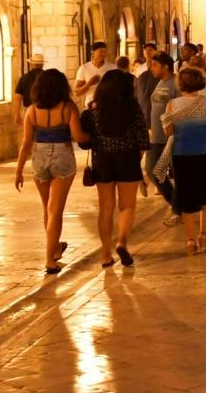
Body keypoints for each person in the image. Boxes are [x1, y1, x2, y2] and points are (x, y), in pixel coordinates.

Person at [16, 68, 85, 274]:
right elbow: (79, 137)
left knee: (47, 208)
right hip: (62, 157)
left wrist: (18, 170)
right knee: (56, 210)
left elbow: (26, 144)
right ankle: (50, 259)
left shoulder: (32, 111)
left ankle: (54, 248)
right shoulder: (68, 108)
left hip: (40, 158)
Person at [81, 69, 148, 268]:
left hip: (102, 160)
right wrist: (138, 160)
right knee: (127, 206)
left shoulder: (92, 112)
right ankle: (122, 242)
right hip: (128, 158)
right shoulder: (133, 109)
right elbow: (142, 139)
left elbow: (85, 141)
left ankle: (105, 254)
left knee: (106, 208)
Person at [157, 67, 206, 255]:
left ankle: (190, 240)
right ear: (200, 82)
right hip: (205, 155)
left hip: (181, 156)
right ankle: (203, 235)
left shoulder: (172, 105)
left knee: (186, 196)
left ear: (181, 84)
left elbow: (168, 132)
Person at [143, 52, 181, 222]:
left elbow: (181, 108)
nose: (152, 68)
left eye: (155, 65)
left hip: (172, 136)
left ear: (165, 66)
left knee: (177, 174)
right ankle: (175, 201)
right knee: (152, 170)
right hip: (156, 137)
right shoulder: (159, 82)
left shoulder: (176, 83)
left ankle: (178, 209)